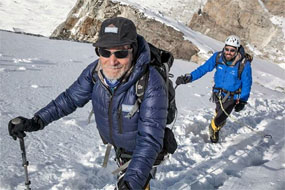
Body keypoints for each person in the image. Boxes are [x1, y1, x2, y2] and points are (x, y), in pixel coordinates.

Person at [8, 17, 169, 190]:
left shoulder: (151, 82)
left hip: (141, 152)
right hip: (120, 146)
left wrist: (131, 183)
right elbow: (69, 99)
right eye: (105, 52)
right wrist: (37, 121)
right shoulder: (95, 72)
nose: (112, 60)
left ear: (133, 50)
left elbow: (150, 139)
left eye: (121, 53)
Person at [176, 35, 252, 143]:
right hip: (218, 94)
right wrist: (189, 77)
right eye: (227, 49)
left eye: (232, 50)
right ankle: (217, 126)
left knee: (220, 117)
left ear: (237, 50)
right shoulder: (218, 57)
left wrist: (243, 101)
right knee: (219, 114)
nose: (228, 52)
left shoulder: (244, 64)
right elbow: (204, 68)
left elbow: (247, 83)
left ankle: (213, 129)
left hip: (233, 96)